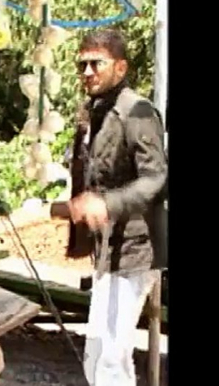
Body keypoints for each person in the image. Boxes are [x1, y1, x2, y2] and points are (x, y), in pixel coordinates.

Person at [66, 29, 167, 386]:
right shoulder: (97, 111)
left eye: (97, 63)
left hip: (136, 249)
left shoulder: (137, 110)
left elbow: (156, 179)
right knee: (100, 356)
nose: (88, 71)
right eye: (83, 64)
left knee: (108, 360)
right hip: (107, 249)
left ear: (120, 68)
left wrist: (106, 204)